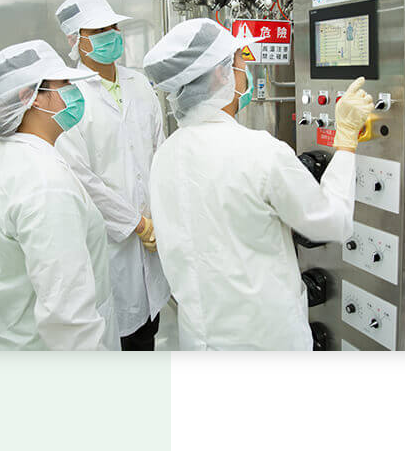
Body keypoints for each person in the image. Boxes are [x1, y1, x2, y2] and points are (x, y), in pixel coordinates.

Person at [143, 18, 373, 351]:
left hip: (200, 341)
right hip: (264, 341)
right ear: (222, 75)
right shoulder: (259, 152)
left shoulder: (165, 154)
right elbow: (333, 223)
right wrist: (347, 138)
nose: (245, 71)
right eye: (240, 61)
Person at [0, 39, 120, 351]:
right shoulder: (45, 184)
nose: (75, 93)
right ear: (31, 97)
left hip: (13, 337)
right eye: (64, 85)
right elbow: (68, 317)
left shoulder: (4, 157)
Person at [54, 0, 170, 351]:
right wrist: (137, 224)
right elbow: (79, 176)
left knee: (149, 322)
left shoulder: (139, 83)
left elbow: (160, 148)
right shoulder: (69, 96)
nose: (110, 36)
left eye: (113, 27)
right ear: (75, 40)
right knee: (118, 329)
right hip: (111, 237)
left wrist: (158, 215)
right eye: (98, 31)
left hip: (153, 229)